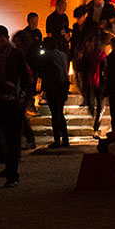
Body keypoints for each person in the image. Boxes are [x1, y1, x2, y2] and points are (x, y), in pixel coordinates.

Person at [0, 25, 30, 186]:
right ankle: (3, 175)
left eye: (1, 40)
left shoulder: (13, 54)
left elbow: (24, 76)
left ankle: (11, 175)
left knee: (11, 139)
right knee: (2, 139)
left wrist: (21, 91)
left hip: (9, 99)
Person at [37, 17, 73, 152]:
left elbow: (44, 72)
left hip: (54, 86)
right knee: (60, 112)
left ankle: (57, 140)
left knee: (55, 113)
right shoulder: (62, 54)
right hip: (63, 85)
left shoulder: (47, 56)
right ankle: (65, 138)